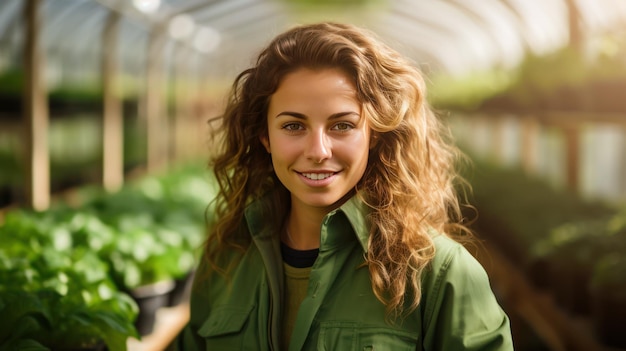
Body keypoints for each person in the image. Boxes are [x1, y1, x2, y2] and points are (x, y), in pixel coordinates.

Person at [173, 22, 513, 350]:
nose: (318, 151)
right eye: (293, 126)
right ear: (265, 136)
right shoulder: (227, 258)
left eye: (342, 125)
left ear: (374, 135)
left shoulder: (438, 272)